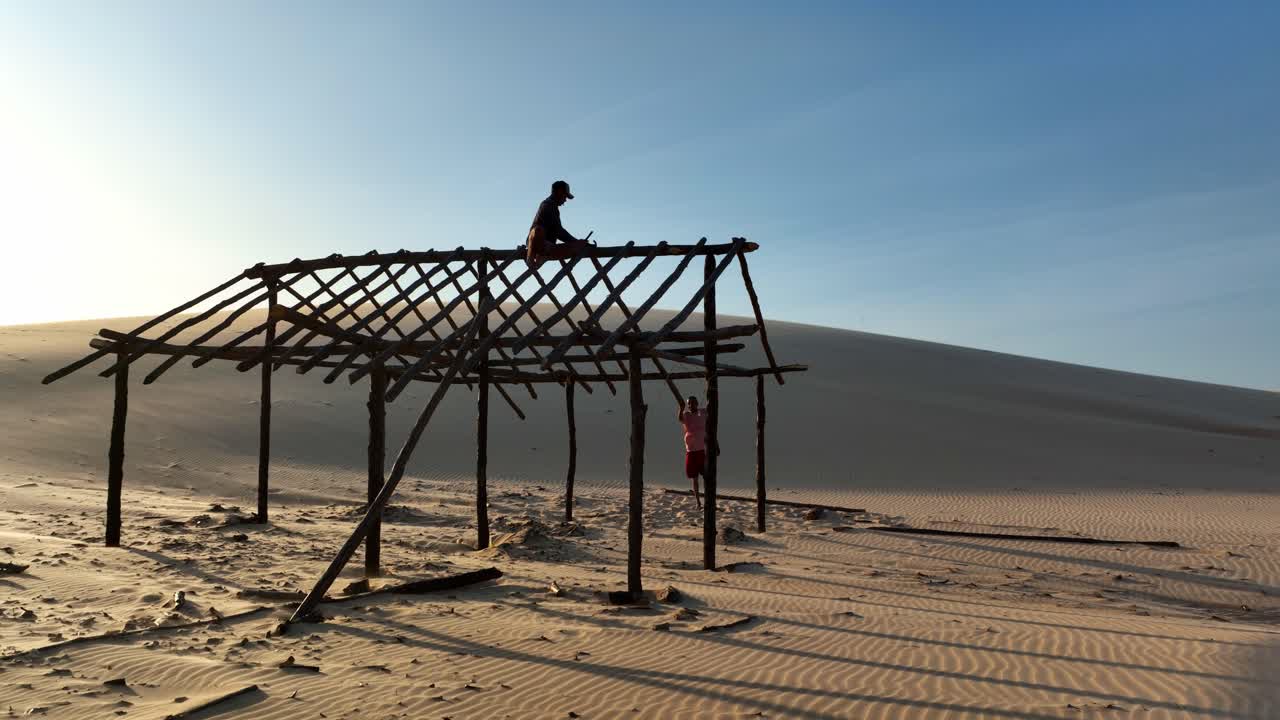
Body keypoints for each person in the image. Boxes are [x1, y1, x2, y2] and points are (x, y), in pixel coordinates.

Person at [527, 180, 591, 267]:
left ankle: (543, 254)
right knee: (576, 247)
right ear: (559, 192)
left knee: (576, 246)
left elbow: (557, 230)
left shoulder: (550, 205)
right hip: (540, 243)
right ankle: (538, 255)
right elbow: (559, 231)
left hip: (546, 245)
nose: (565, 200)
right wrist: (577, 242)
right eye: (565, 196)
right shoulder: (549, 205)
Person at [677, 395, 709, 509]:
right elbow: (680, 419)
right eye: (689, 403)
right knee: (694, 478)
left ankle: (708, 501)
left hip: (702, 450)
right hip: (691, 451)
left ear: (697, 403)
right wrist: (681, 408)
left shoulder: (703, 412)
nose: (691, 405)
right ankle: (698, 502)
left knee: (706, 476)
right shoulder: (686, 415)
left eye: (693, 402)